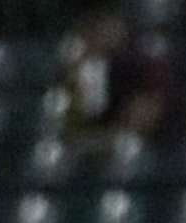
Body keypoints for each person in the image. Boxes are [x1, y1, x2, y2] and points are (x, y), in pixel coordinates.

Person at [60, 0, 177, 146]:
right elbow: (75, 115)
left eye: (106, 25)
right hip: (88, 138)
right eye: (95, 28)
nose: (102, 34)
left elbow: (144, 114)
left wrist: (100, 140)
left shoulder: (141, 60)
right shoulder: (82, 62)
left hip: (148, 147)